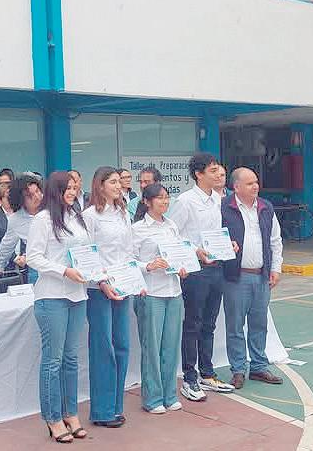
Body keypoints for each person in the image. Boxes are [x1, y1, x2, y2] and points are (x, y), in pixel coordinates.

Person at [26, 171, 90, 444]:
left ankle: (70, 413)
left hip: (78, 295)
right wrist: (64, 271)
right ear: (56, 190)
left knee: (71, 359)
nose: (73, 192)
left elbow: (86, 252)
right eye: (68, 188)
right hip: (52, 295)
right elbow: (33, 257)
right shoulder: (42, 219)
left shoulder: (76, 216)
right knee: (53, 361)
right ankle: (53, 418)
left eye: (75, 188)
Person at [167, 152, 238, 401]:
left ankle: (207, 373)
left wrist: (229, 244)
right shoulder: (186, 201)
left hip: (217, 267)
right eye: (213, 171)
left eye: (219, 169)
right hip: (195, 270)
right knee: (193, 323)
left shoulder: (219, 200)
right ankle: (189, 377)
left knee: (209, 323)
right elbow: (172, 234)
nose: (219, 174)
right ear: (198, 175)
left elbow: (218, 232)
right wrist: (195, 250)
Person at [221, 168, 285, 389]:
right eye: (249, 183)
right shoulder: (224, 208)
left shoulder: (266, 207)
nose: (255, 186)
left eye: (256, 182)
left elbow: (275, 240)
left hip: (261, 276)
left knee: (259, 324)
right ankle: (238, 369)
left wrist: (275, 268)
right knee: (235, 326)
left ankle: (258, 367)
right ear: (236, 187)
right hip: (236, 277)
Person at [83, 167, 136, 428]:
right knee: (103, 347)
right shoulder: (90, 215)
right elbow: (87, 253)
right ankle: (102, 410)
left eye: (119, 182)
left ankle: (116, 406)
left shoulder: (123, 213)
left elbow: (129, 250)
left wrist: (135, 279)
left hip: (122, 284)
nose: (118, 186)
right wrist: (101, 281)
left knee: (122, 344)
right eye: (113, 182)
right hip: (99, 288)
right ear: (100, 185)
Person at [132, 183, 188, 414]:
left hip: (173, 291)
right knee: (152, 348)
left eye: (167, 197)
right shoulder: (137, 229)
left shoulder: (171, 225)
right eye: (159, 198)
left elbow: (180, 253)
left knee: (171, 346)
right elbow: (129, 260)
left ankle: (170, 394)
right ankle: (153, 398)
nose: (165, 202)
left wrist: (183, 267)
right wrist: (148, 265)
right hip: (152, 292)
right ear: (147, 202)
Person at [0, 174, 43, 283]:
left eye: (37, 191)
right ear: (20, 199)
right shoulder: (16, 219)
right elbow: (7, 245)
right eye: (30, 195)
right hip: (36, 267)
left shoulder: (52, 208)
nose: (37, 197)